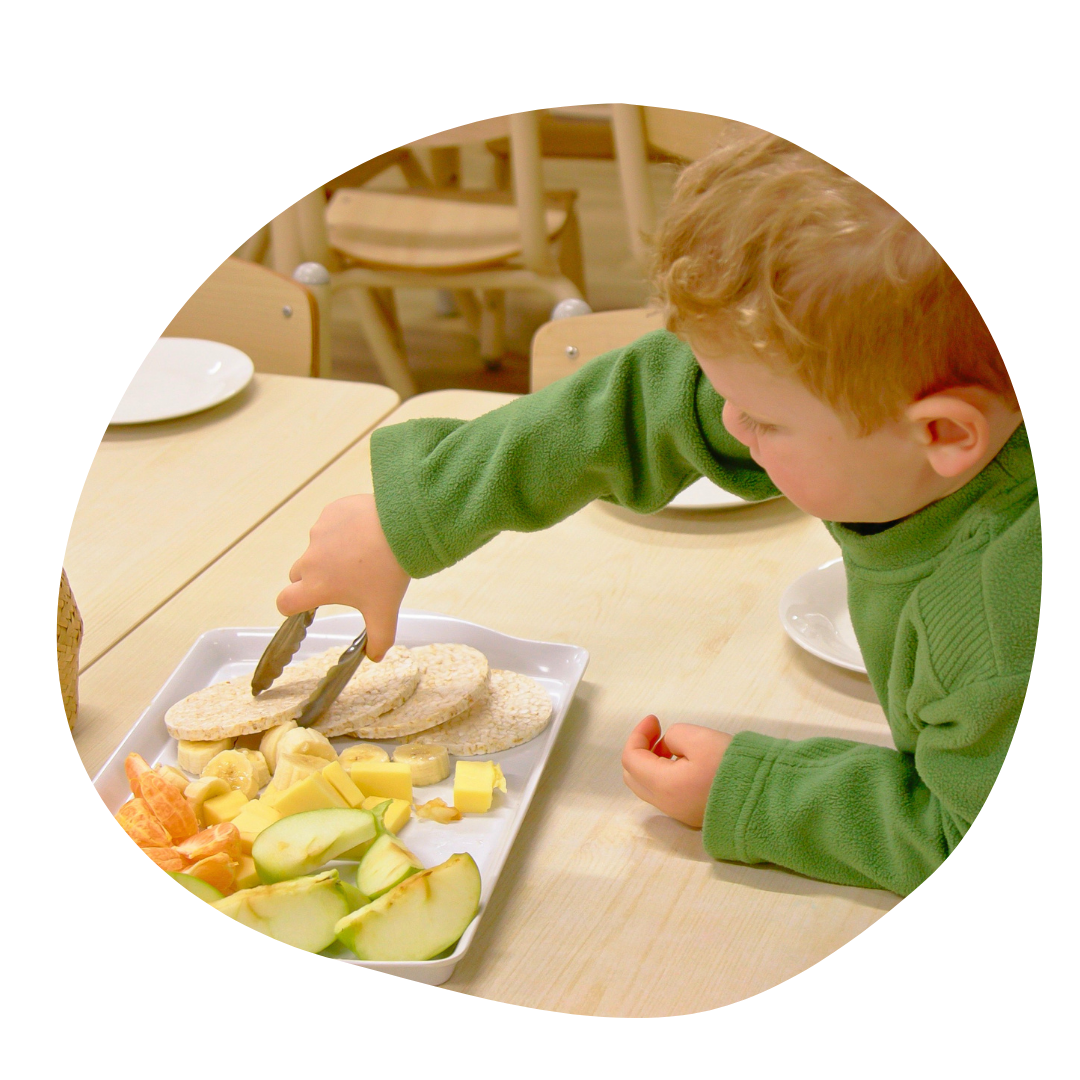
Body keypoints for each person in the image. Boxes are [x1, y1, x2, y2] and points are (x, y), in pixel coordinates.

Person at [276, 133, 1038, 897]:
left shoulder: (1004, 622)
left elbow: (967, 836)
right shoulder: (887, 395)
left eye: (765, 422)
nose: (727, 422)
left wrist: (752, 790)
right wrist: (417, 511)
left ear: (942, 434)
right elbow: (653, 396)